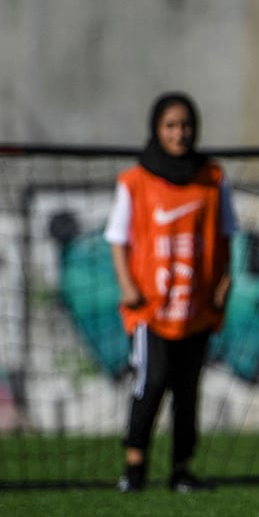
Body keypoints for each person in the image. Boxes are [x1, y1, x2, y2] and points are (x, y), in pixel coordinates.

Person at [105, 91, 236, 493]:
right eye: (171, 126)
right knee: (151, 380)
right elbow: (117, 239)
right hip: (151, 308)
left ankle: (181, 469)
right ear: (157, 130)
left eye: (185, 125)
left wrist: (224, 283)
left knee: (188, 388)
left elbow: (227, 234)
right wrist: (128, 287)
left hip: (195, 306)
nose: (179, 133)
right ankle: (135, 464)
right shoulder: (135, 181)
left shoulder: (212, 178)